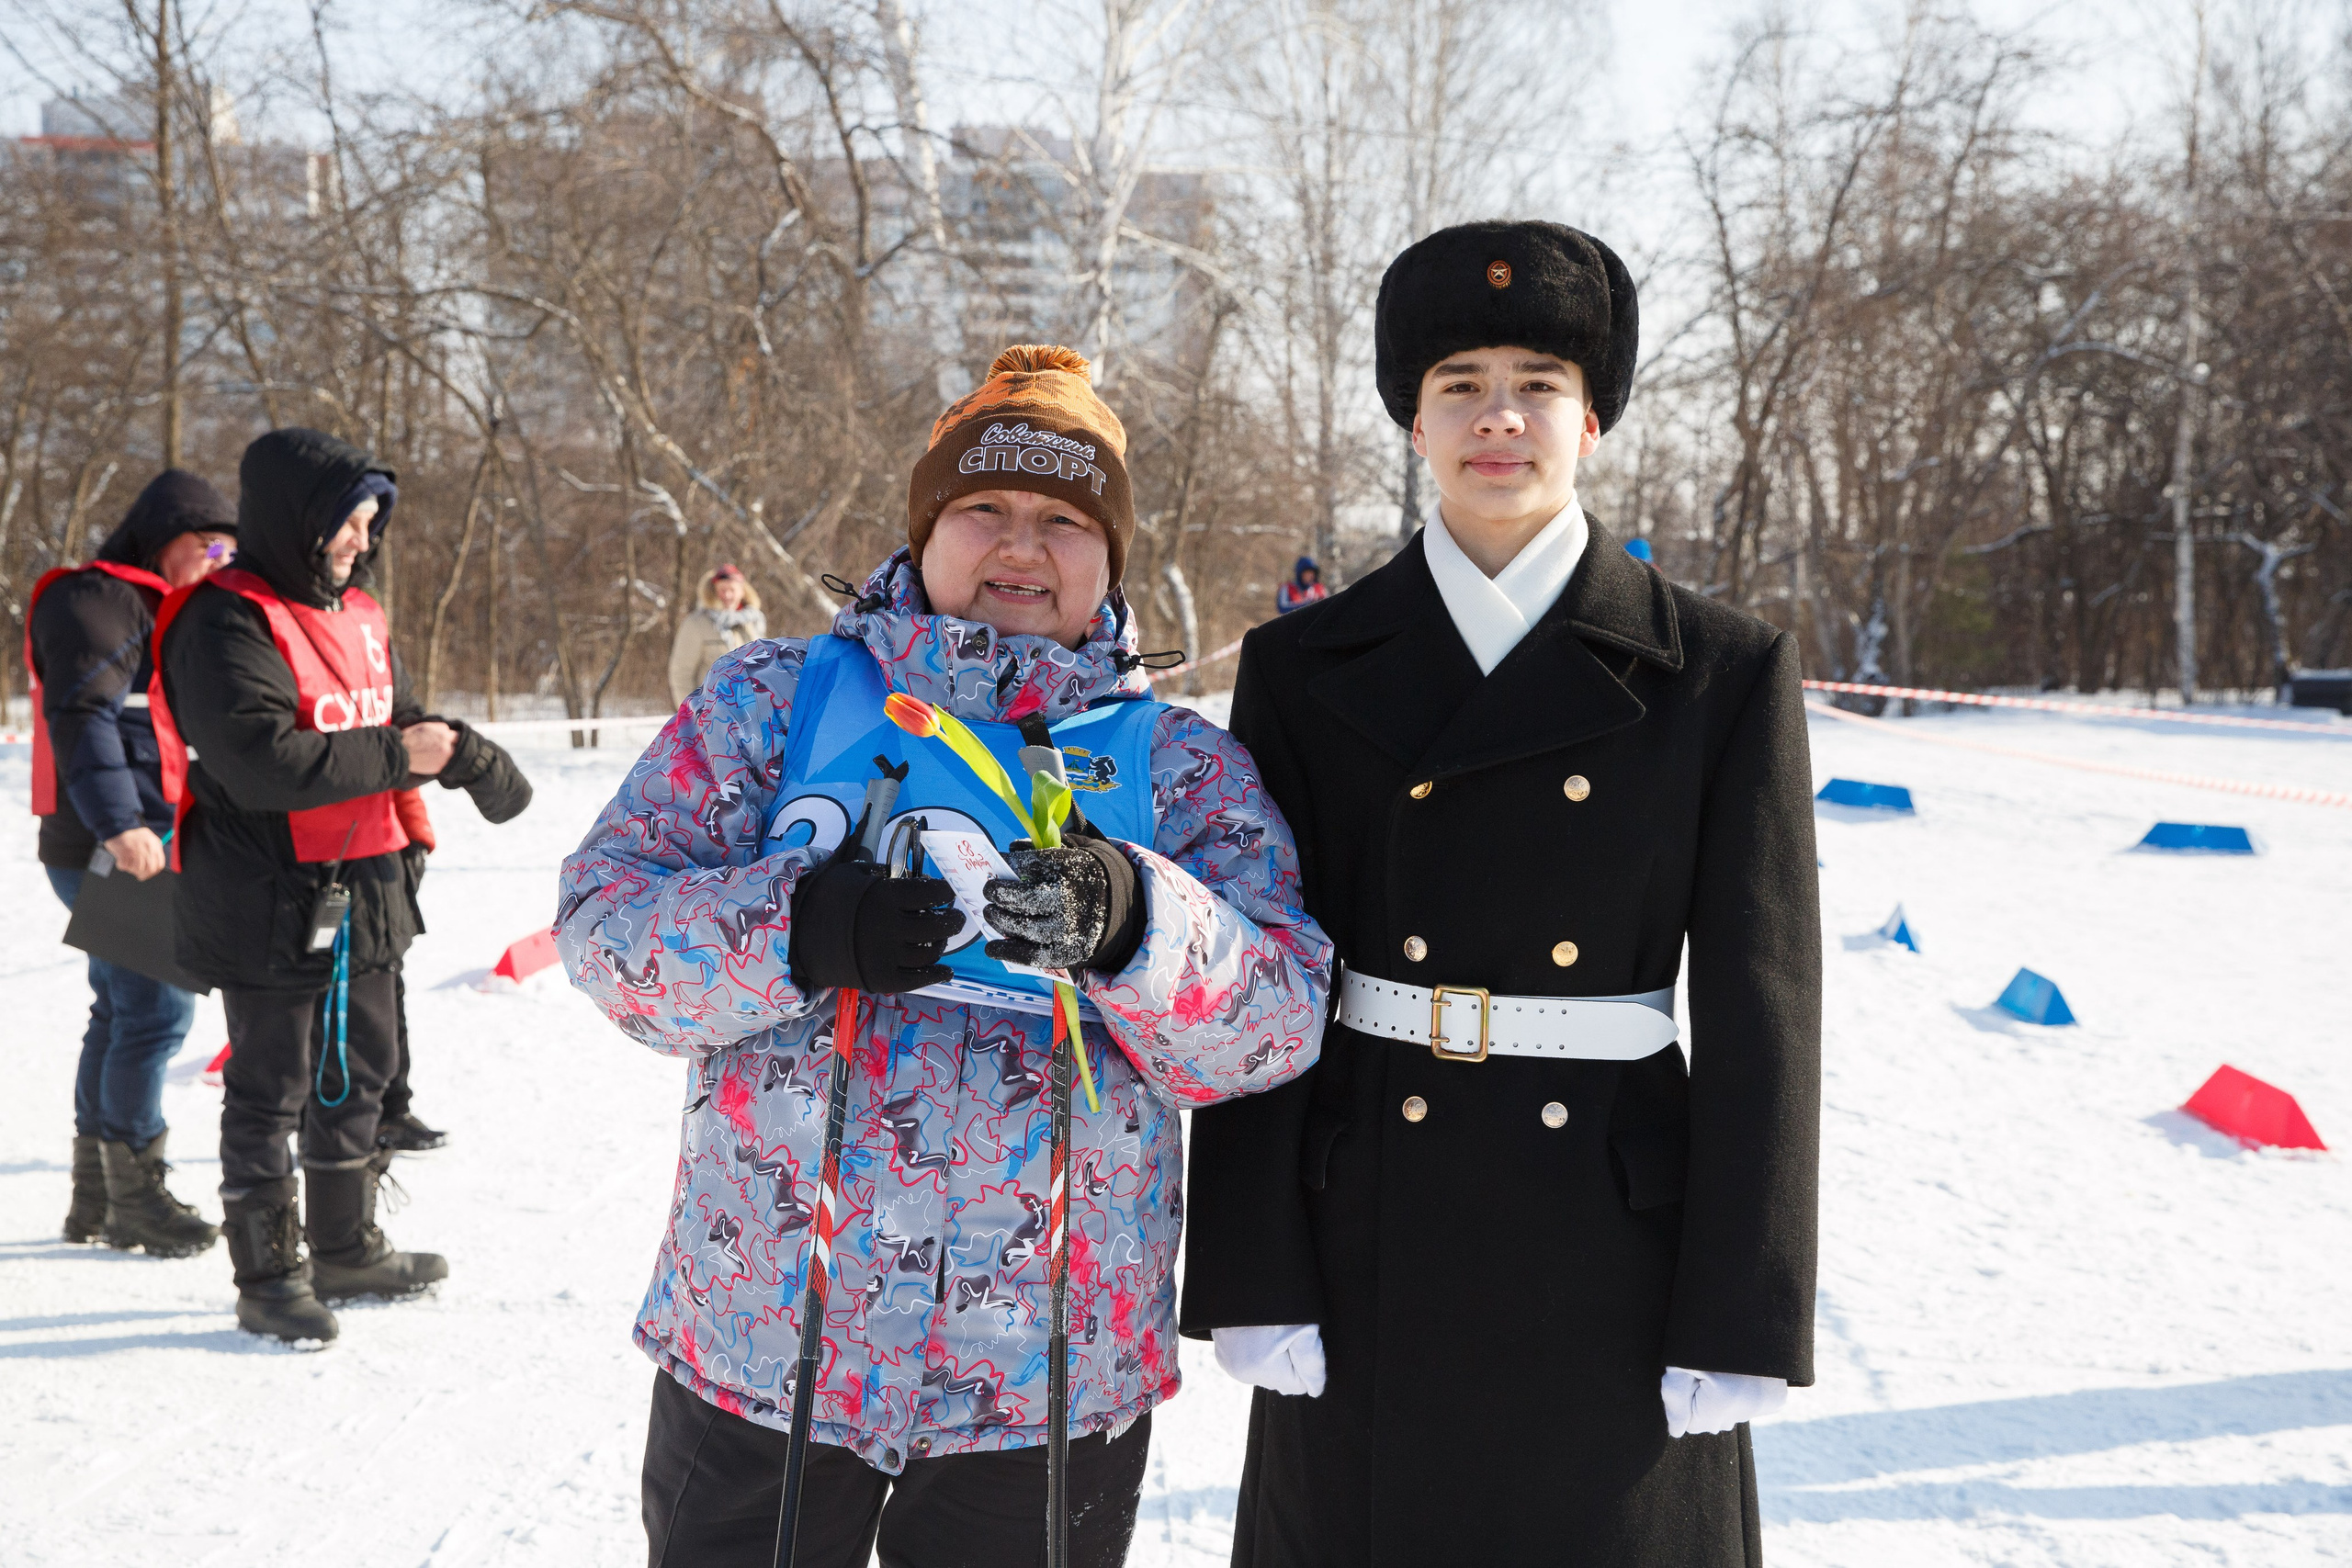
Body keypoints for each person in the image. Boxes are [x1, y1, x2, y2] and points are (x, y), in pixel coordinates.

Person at [557, 344, 1331, 1568]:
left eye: (1066, 520)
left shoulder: (1175, 764)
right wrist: (796, 925)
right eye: (984, 508)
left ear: (1109, 558)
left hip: (1043, 1384)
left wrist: (1137, 921)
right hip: (766, 1340)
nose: (1022, 546)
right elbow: (605, 926)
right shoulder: (775, 699)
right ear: (925, 527)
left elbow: (1282, 1016)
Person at [1182, 221, 1822, 1566]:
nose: (1500, 418)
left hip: (1616, 1248)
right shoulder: (1304, 664)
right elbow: (1260, 965)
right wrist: (1252, 1262)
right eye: (1459, 383)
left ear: (1592, 419)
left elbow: (1767, 1006)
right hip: (1366, 1242)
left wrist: (1747, 1307)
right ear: (1413, 422)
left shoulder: (1717, 668)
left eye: (1539, 381)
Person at [156, 427, 532, 1345]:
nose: (361, 541)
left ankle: (345, 1245)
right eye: (346, 523)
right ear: (296, 521)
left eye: (369, 523)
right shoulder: (223, 619)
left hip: (364, 886)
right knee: (269, 1086)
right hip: (265, 892)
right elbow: (259, 761)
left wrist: (462, 755)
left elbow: (393, 719)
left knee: (359, 1076)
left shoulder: (359, 613)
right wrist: (401, 753)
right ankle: (269, 1273)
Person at [28, 469, 237, 1257]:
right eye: (209, 543)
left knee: (119, 1007)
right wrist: (121, 826)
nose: (220, 559)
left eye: (230, 548)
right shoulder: (96, 601)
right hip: (113, 845)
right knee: (156, 1012)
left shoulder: (154, 607)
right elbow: (82, 716)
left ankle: (96, 1192)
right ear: (164, 536)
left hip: (124, 840)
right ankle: (136, 1195)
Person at [666, 563, 766, 705]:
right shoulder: (696, 623)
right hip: (712, 715)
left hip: (751, 714)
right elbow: (681, 674)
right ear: (712, 591)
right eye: (722, 589)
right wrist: (692, 715)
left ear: (742, 591)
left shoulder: (754, 622)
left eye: (732, 589)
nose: (727, 595)